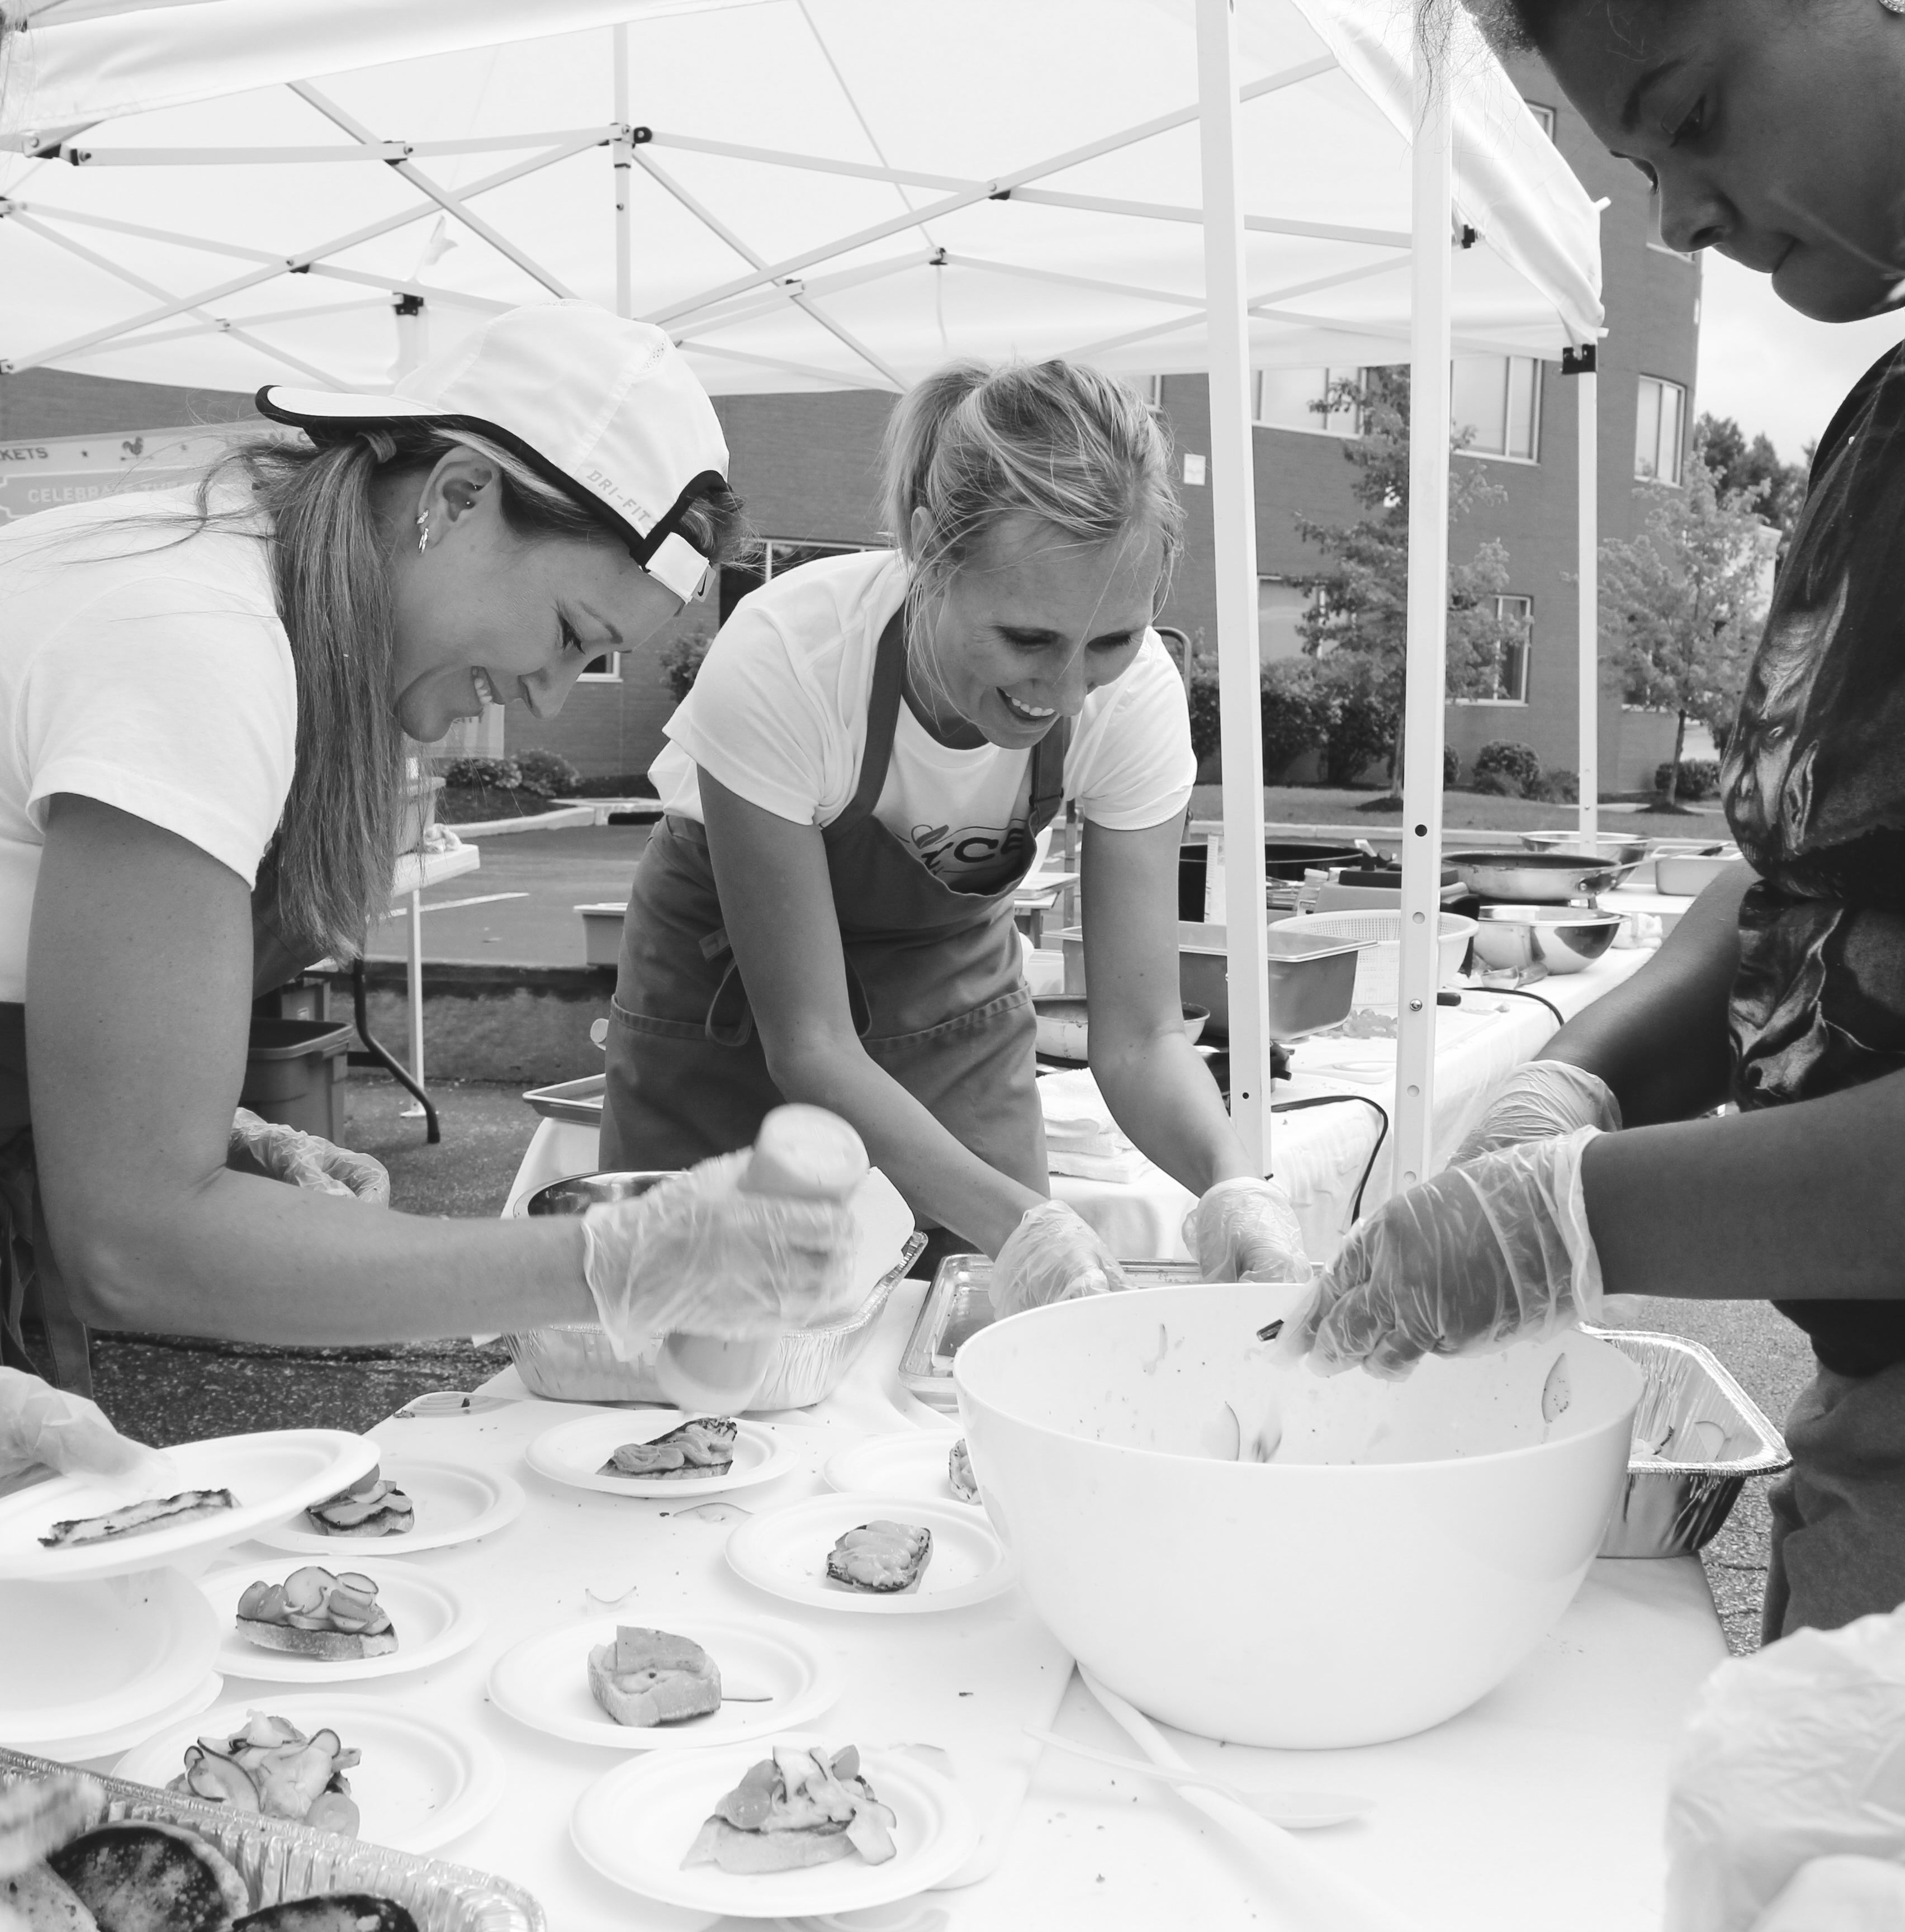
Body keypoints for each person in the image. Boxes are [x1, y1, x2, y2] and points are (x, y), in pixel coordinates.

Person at [1281, 0, 1905, 1641]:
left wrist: (1577, 1213)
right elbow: (1794, 874)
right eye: (1641, 164)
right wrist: (1581, 1086)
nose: (1678, 217)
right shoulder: (1880, 433)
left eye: (1695, 114)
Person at [1, 302, 858, 1394]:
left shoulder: (243, 585)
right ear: (457, 496)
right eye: (568, 637)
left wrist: (216, 1129)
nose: (548, 701)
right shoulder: (196, 648)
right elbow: (134, 1240)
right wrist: (610, 1264)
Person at [600, 358, 1307, 1313]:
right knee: (703, 1340)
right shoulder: (786, 660)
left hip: (952, 1008)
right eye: (1026, 639)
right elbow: (810, 1042)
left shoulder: (1132, 703)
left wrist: (1233, 1185)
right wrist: (1024, 1224)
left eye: (1109, 643)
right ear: (931, 551)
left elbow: (1141, 1038)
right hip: (733, 1018)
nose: (1061, 695)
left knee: (985, 1354)